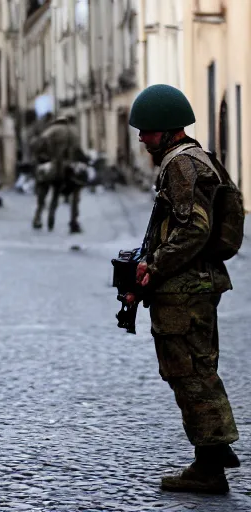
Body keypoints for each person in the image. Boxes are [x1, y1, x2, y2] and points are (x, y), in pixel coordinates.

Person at [128, 83, 242, 494]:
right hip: (195, 283)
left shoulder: (182, 164)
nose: (141, 137)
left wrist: (154, 268)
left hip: (186, 288)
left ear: (165, 129)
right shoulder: (196, 158)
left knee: (190, 372)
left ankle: (209, 465)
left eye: (145, 130)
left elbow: (194, 228)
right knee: (197, 368)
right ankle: (215, 450)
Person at [31, 115, 87, 233]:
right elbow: (79, 152)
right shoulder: (74, 131)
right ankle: (72, 221)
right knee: (69, 195)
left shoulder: (50, 131)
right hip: (68, 169)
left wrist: (42, 158)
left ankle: (38, 218)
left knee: (43, 194)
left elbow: (37, 146)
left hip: (51, 167)